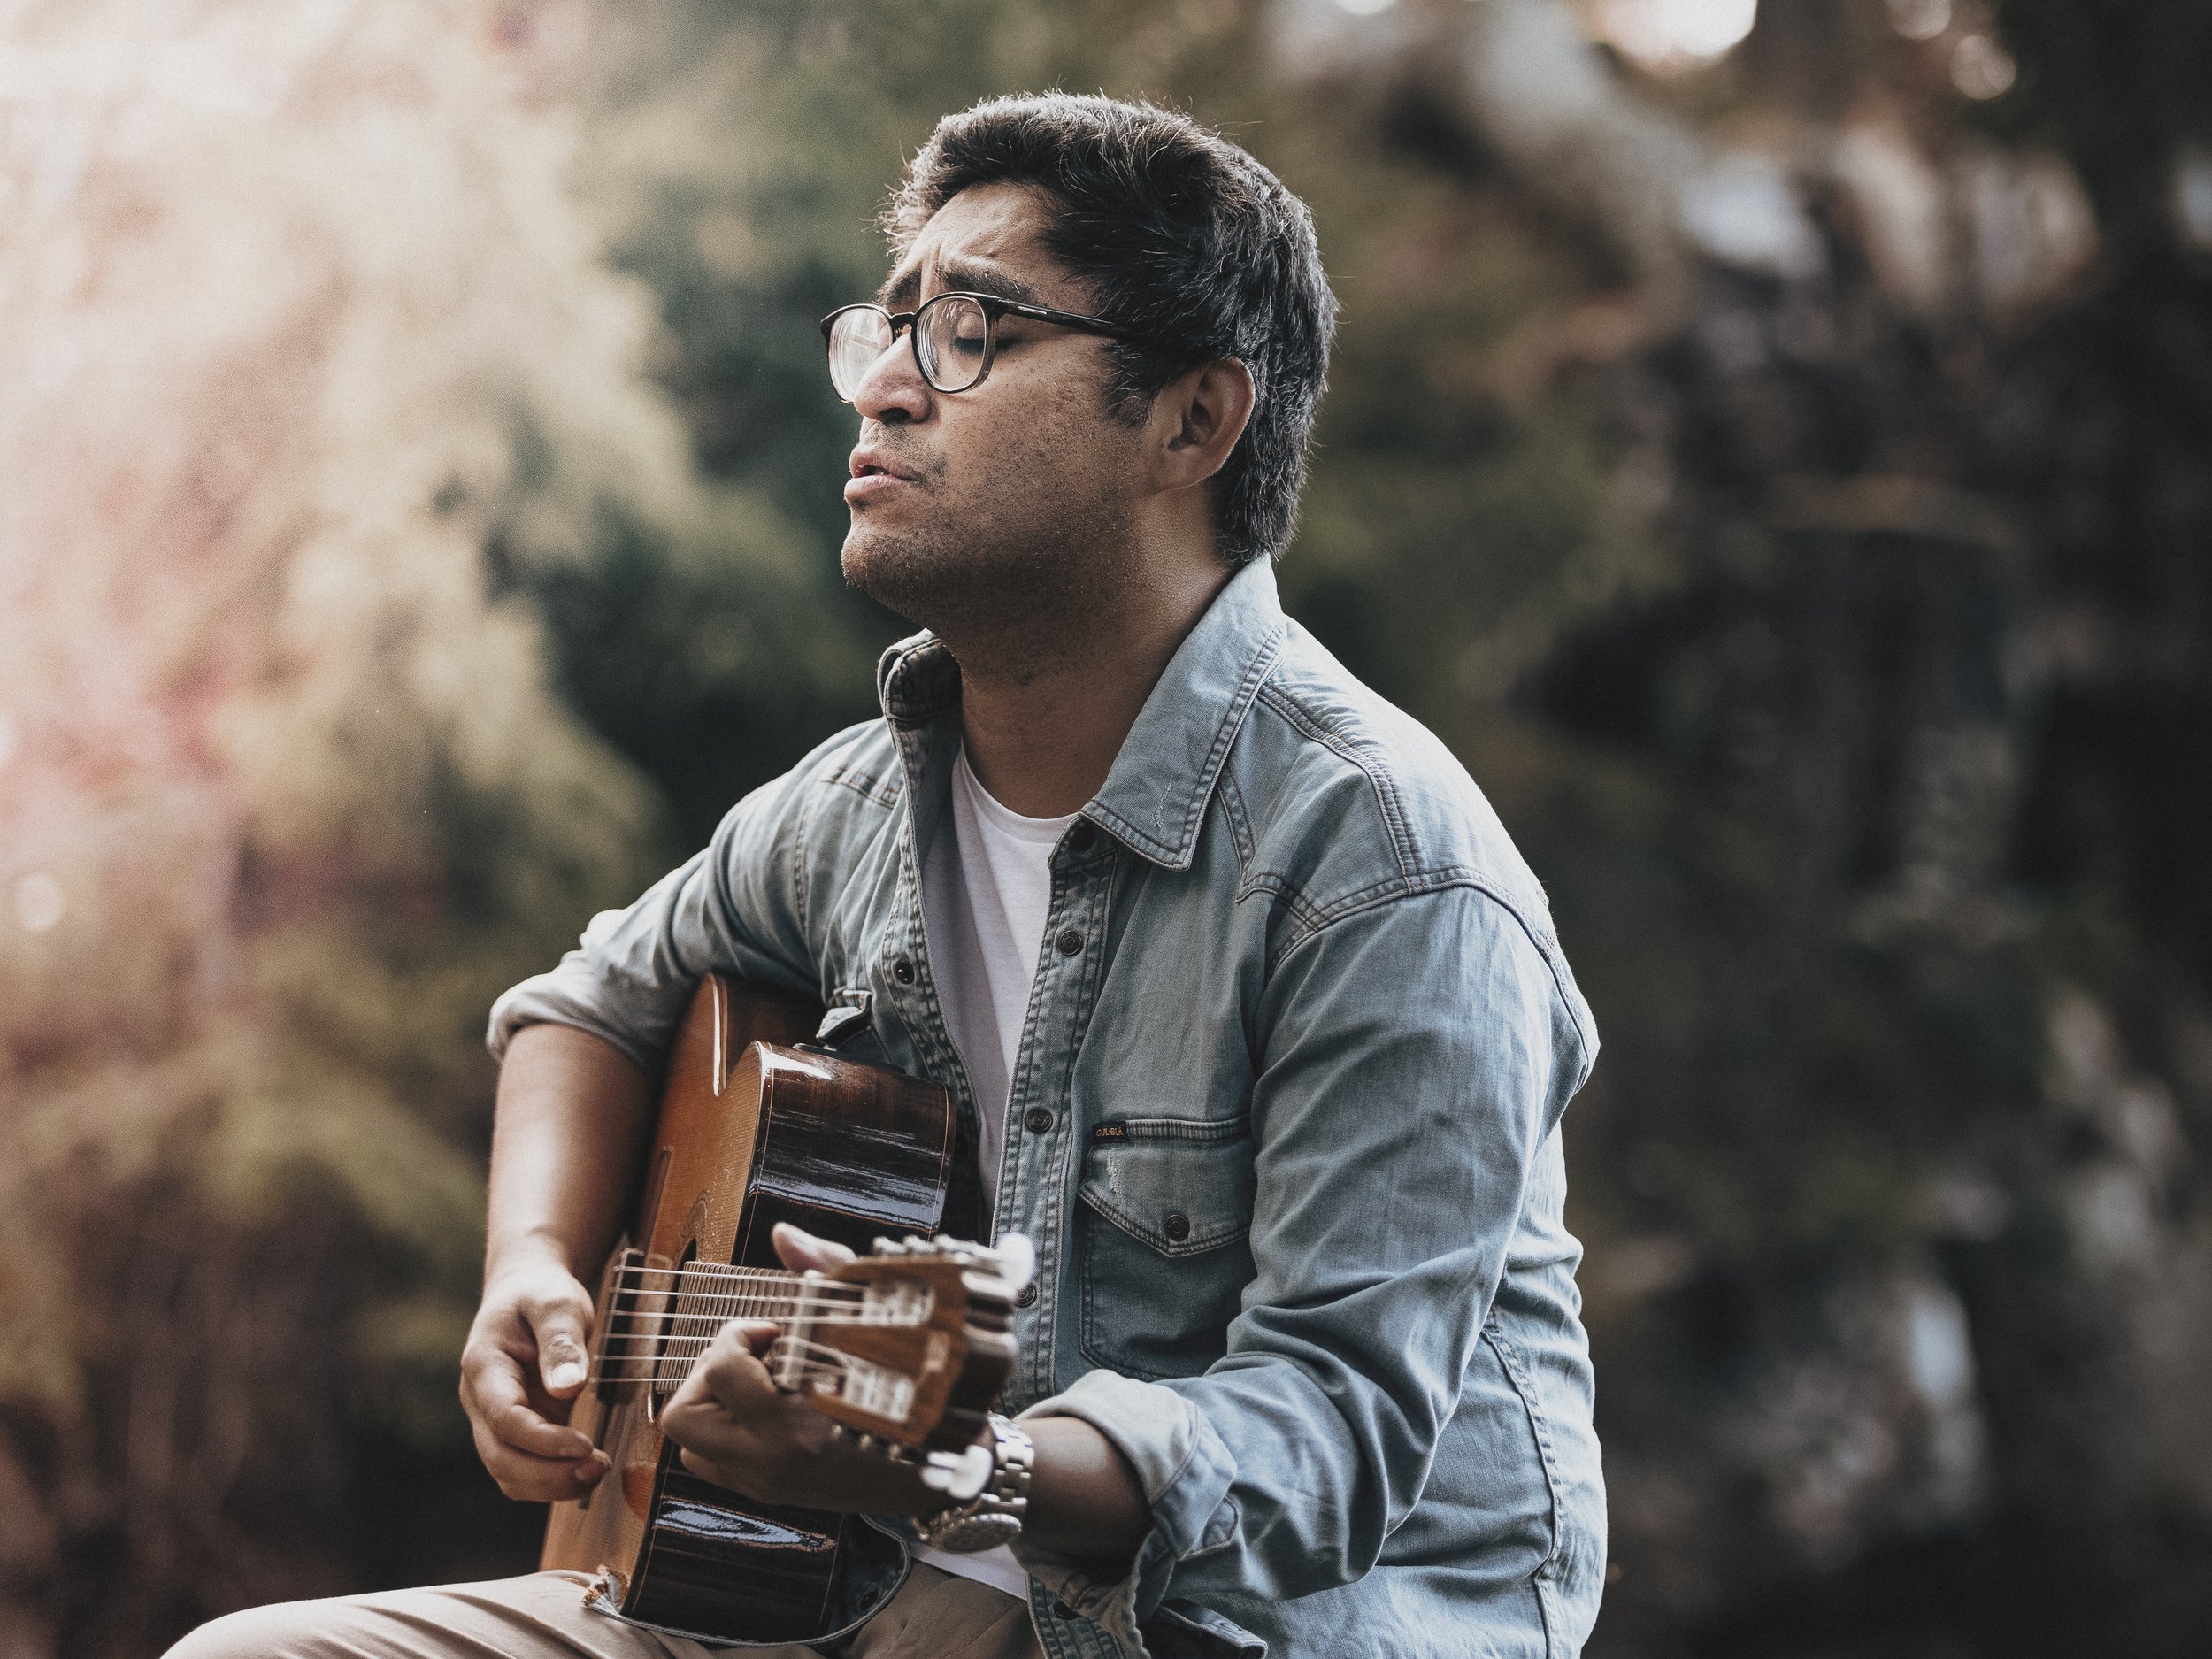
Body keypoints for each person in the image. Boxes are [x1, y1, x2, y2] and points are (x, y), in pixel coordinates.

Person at [167, 92, 1604, 1659]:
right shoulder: (857, 810)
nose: (893, 388)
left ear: (1193, 421)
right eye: (892, 325)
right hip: (826, 1600)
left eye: (976, 327)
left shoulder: (1388, 871)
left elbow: (1333, 1432)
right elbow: (585, 1003)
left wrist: (966, 1469)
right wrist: (533, 1272)